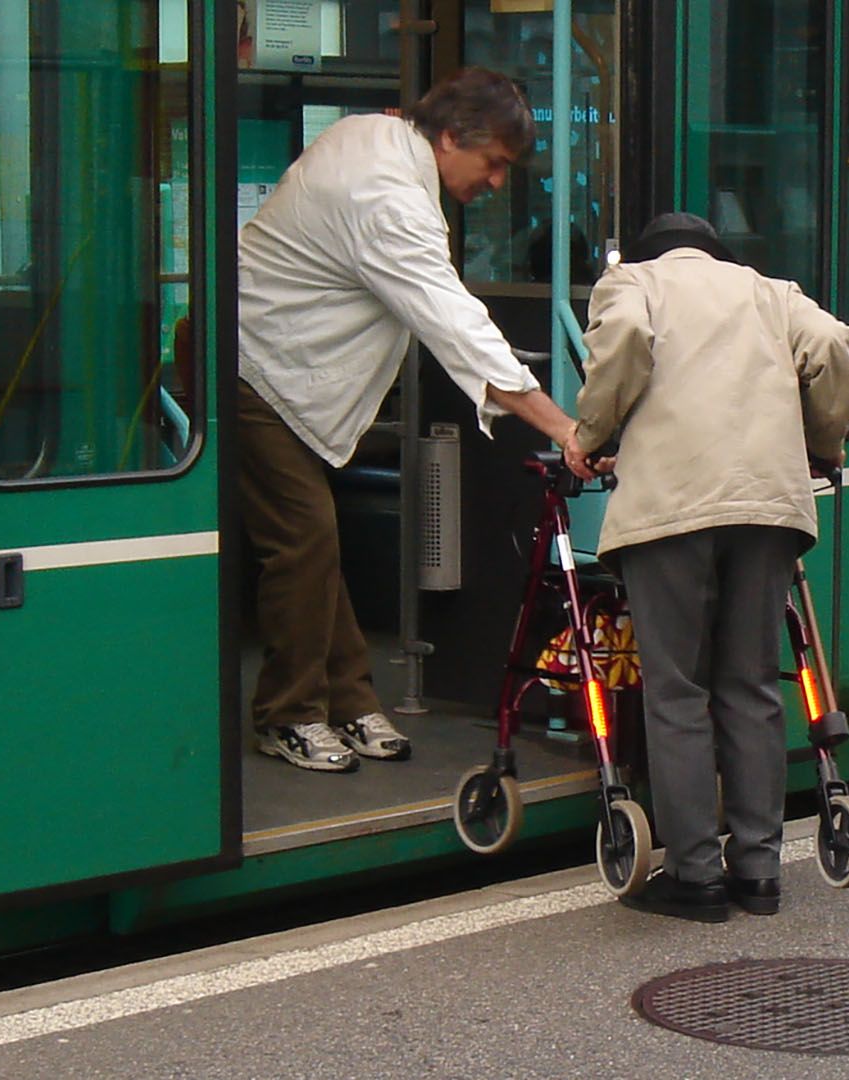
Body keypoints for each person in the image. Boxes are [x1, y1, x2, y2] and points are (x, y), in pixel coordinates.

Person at [238, 68, 595, 773]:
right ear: (450, 137)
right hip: (259, 371)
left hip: (279, 368)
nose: (497, 183)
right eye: (493, 163)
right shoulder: (389, 199)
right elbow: (454, 321)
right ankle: (288, 714)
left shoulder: (373, 136)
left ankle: (347, 699)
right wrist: (562, 427)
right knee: (302, 545)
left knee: (315, 544)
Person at [575, 212, 849, 922]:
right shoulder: (772, 291)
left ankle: (697, 874)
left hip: (671, 505)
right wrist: (824, 442)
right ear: (716, 254)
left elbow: (627, 343)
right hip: (767, 507)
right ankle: (760, 871)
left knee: (676, 692)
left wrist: (592, 435)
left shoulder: (629, 283)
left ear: (650, 254)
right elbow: (829, 344)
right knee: (752, 686)